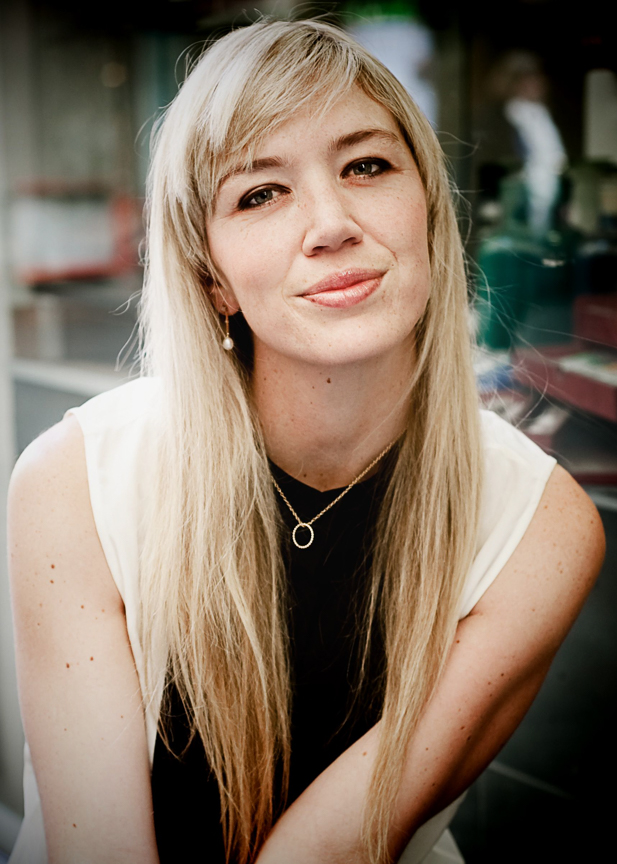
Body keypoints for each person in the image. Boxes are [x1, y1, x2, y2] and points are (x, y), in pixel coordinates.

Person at [7, 19, 605, 864]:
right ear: (212, 277)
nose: (331, 223)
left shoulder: (538, 525)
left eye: (366, 166)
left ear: (428, 211)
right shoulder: (79, 481)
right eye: (260, 194)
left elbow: (333, 851)